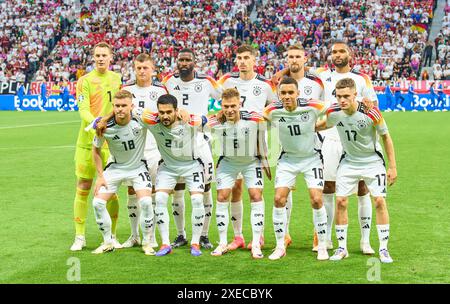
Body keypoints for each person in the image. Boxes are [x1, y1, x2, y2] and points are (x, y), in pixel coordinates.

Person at [311, 40, 378, 254]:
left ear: (350, 54)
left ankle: (365, 241)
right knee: (328, 188)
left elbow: (373, 106)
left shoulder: (362, 78)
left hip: (356, 142)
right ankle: (327, 239)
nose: (337, 55)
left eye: (341, 51)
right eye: (334, 52)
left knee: (362, 189)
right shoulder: (322, 77)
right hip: (330, 138)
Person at [320, 78, 397, 263]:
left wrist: (392, 166)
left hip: (372, 161)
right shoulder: (334, 112)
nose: (342, 100)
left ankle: (384, 249)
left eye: (346, 96)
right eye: (339, 96)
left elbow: (386, 137)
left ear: (356, 95)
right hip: (349, 161)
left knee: (379, 201)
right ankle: (341, 248)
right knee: (341, 202)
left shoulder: (371, 112)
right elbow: (324, 125)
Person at [217, 44, 277, 251]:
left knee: (255, 192)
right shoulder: (226, 81)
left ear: (254, 60)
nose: (242, 61)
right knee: (234, 190)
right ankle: (238, 236)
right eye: (239, 58)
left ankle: (258, 237)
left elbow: (275, 109)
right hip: (231, 146)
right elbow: (219, 105)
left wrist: (264, 124)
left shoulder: (265, 84)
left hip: (255, 147)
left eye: (246, 58)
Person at [133, 94, 206, 257]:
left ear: (176, 110)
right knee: (159, 199)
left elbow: (206, 120)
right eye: (161, 112)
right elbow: (130, 107)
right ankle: (165, 243)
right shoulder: (152, 121)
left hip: (191, 166)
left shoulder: (190, 121)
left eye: (169, 112)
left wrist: (186, 112)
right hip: (168, 167)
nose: (165, 116)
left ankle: (195, 242)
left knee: (197, 199)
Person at [263, 77, 328, 261]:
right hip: (288, 159)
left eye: (291, 92)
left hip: (312, 158)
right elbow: (257, 123)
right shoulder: (272, 110)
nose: (287, 96)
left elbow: (334, 111)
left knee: (316, 199)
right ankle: (280, 245)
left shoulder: (312, 106)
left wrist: (320, 126)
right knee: (278, 198)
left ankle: (322, 245)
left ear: (298, 93)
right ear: (278, 94)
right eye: (283, 93)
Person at [162, 48, 221, 250]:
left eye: (188, 59)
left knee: (205, 189)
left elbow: (226, 98)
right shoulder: (168, 81)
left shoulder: (206, 81)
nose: (184, 63)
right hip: (177, 142)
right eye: (181, 59)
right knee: (177, 189)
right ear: (176, 62)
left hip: (200, 140)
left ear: (194, 63)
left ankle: (203, 235)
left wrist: (211, 120)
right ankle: (180, 235)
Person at [70, 42, 122, 252]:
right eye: (97, 55)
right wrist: (95, 126)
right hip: (87, 142)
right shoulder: (84, 81)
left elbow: (120, 107)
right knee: (83, 186)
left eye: (104, 55)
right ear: (93, 58)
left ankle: (113, 235)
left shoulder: (117, 79)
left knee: (110, 190)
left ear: (111, 58)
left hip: (109, 142)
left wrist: (105, 126)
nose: (100, 58)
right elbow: (83, 109)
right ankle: (79, 236)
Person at [272, 44, 325, 248]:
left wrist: (316, 127)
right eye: (290, 57)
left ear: (305, 59)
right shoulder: (280, 83)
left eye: (297, 56)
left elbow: (327, 107)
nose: (294, 60)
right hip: (287, 142)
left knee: (319, 192)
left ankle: (317, 233)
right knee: (286, 191)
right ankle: (284, 233)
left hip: (315, 143)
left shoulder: (317, 82)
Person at [90, 90, 155, 255]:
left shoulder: (141, 120)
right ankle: (107, 242)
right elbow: (95, 151)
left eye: (124, 106)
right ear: (113, 107)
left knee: (147, 203)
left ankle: (147, 242)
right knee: (97, 203)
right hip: (115, 168)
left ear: (131, 106)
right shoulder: (104, 127)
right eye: (117, 106)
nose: (120, 109)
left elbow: (161, 120)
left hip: (138, 167)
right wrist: (100, 176)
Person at [207, 88, 267, 259]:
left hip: (251, 162)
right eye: (226, 106)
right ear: (221, 106)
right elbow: (196, 123)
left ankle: (256, 243)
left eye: (233, 105)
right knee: (222, 196)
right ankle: (222, 242)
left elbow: (269, 122)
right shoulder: (216, 121)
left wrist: (265, 160)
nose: (230, 110)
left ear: (240, 104)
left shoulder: (254, 118)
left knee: (256, 196)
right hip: (227, 162)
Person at [120, 54, 168, 249]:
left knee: (153, 193)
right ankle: (134, 235)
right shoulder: (126, 90)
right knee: (132, 191)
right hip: (132, 151)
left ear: (152, 69)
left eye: (145, 68)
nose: (141, 71)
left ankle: (151, 236)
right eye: (138, 68)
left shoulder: (160, 90)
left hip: (154, 149)